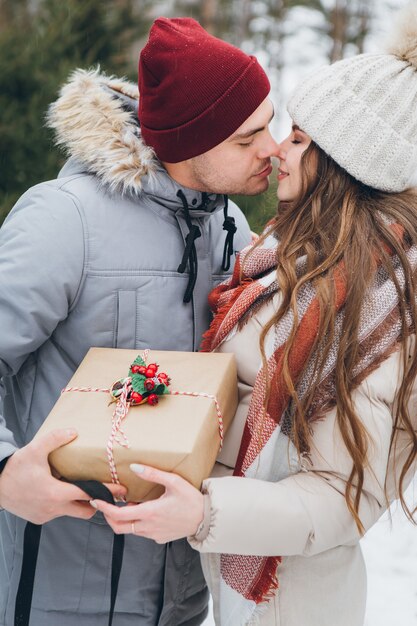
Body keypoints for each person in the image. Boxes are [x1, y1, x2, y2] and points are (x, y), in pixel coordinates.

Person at [92, 6, 417, 626]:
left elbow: (342, 499)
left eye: (297, 138)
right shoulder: (283, 261)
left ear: (344, 165)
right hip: (241, 591)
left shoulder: (384, 306)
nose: (278, 152)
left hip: (298, 603)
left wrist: (203, 509)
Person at [0, 17, 279, 626]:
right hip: (59, 595)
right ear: (187, 142)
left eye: (270, 126)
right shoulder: (63, 219)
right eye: (245, 139)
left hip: (180, 599)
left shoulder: (228, 228)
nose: (272, 149)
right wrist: (2, 472)